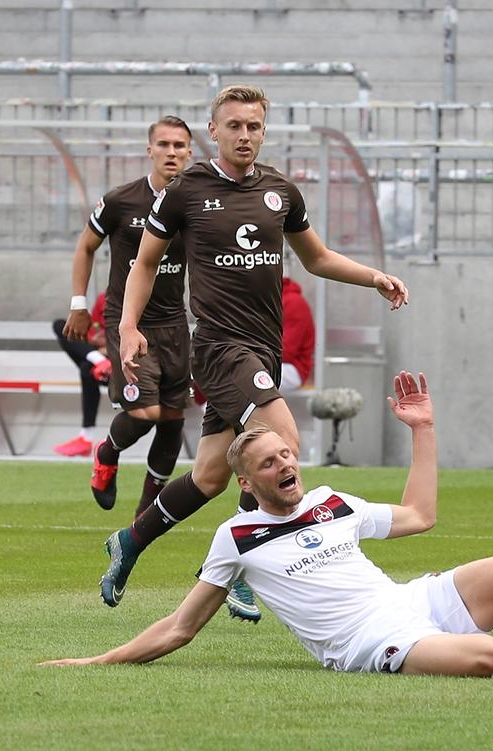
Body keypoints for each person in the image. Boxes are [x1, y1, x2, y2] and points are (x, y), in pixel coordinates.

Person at [43, 372, 493, 678]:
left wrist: (423, 428)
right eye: (269, 463)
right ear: (246, 482)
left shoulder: (331, 500)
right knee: (491, 659)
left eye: (287, 456)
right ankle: (470, 650)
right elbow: (179, 628)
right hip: (368, 642)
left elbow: (420, 516)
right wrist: (97, 662)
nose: (285, 465)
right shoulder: (235, 540)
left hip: (412, 603)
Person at [99, 84, 409, 624]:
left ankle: (130, 539)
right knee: (282, 441)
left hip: (264, 350)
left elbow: (316, 258)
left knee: (212, 477)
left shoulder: (281, 192)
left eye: (255, 127)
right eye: (235, 126)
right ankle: (242, 565)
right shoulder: (186, 191)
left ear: (265, 131)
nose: (245, 135)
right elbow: (143, 263)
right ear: (213, 131)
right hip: (219, 347)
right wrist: (128, 328)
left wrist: (373, 277)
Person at [63, 116, 193, 513]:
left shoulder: (195, 202)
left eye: (180, 146)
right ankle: (107, 452)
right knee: (145, 413)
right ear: (149, 149)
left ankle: (149, 510)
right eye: (165, 145)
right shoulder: (122, 201)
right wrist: (79, 303)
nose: (172, 152)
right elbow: (86, 246)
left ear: (189, 152)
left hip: (174, 322)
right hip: (128, 320)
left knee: (172, 418)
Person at [50, 293, 111, 457]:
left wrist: (110, 348)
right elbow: (93, 332)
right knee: (61, 326)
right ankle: (99, 361)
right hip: (101, 358)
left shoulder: (139, 294)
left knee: (86, 368)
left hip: (125, 361)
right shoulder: (103, 298)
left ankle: (86, 437)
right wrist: (96, 342)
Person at [280, 274, 315, 392]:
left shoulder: (294, 303)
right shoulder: (264, 300)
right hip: (268, 361)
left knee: (246, 376)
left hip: (293, 368)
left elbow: (286, 352)